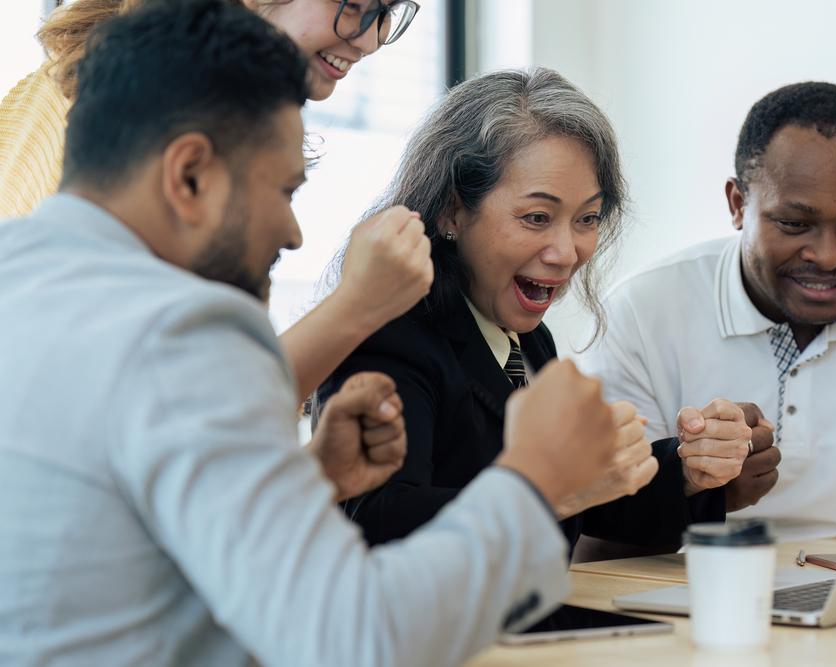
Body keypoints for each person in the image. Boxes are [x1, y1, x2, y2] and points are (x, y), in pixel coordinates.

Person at [0, 3, 626, 665]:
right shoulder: (185, 330)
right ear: (188, 176)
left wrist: (310, 477)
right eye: (282, 190)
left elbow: (113, 538)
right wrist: (531, 483)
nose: (292, 233)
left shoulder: (19, 271)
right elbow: (356, 637)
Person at [316, 68, 765, 555]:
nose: (566, 252)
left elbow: (587, 501)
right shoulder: (391, 334)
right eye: (536, 218)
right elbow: (372, 522)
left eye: (587, 219)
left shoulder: (524, 337)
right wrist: (546, 491)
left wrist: (689, 468)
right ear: (451, 211)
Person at [578, 81, 836, 541]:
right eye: (795, 224)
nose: (828, 255)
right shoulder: (640, 314)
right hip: (697, 595)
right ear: (738, 205)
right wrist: (695, 486)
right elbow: (603, 525)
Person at [0, 0, 429, 403]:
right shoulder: (130, 118)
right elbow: (186, 409)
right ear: (186, 170)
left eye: (389, 10)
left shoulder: (102, 83)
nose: (370, 40)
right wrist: (356, 306)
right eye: (353, 4)